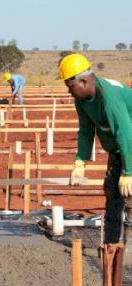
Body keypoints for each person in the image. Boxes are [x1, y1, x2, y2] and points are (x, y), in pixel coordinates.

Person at [61, 53, 132, 264]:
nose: (68, 90)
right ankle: (111, 248)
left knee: (129, 194)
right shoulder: (81, 100)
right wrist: (79, 162)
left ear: (83, 81)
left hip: (129, 143)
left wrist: (129, 172)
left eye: (70, 85)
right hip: (120, 150)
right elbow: (85, 130)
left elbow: (125, 133)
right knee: (111, 189)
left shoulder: (108, 98)